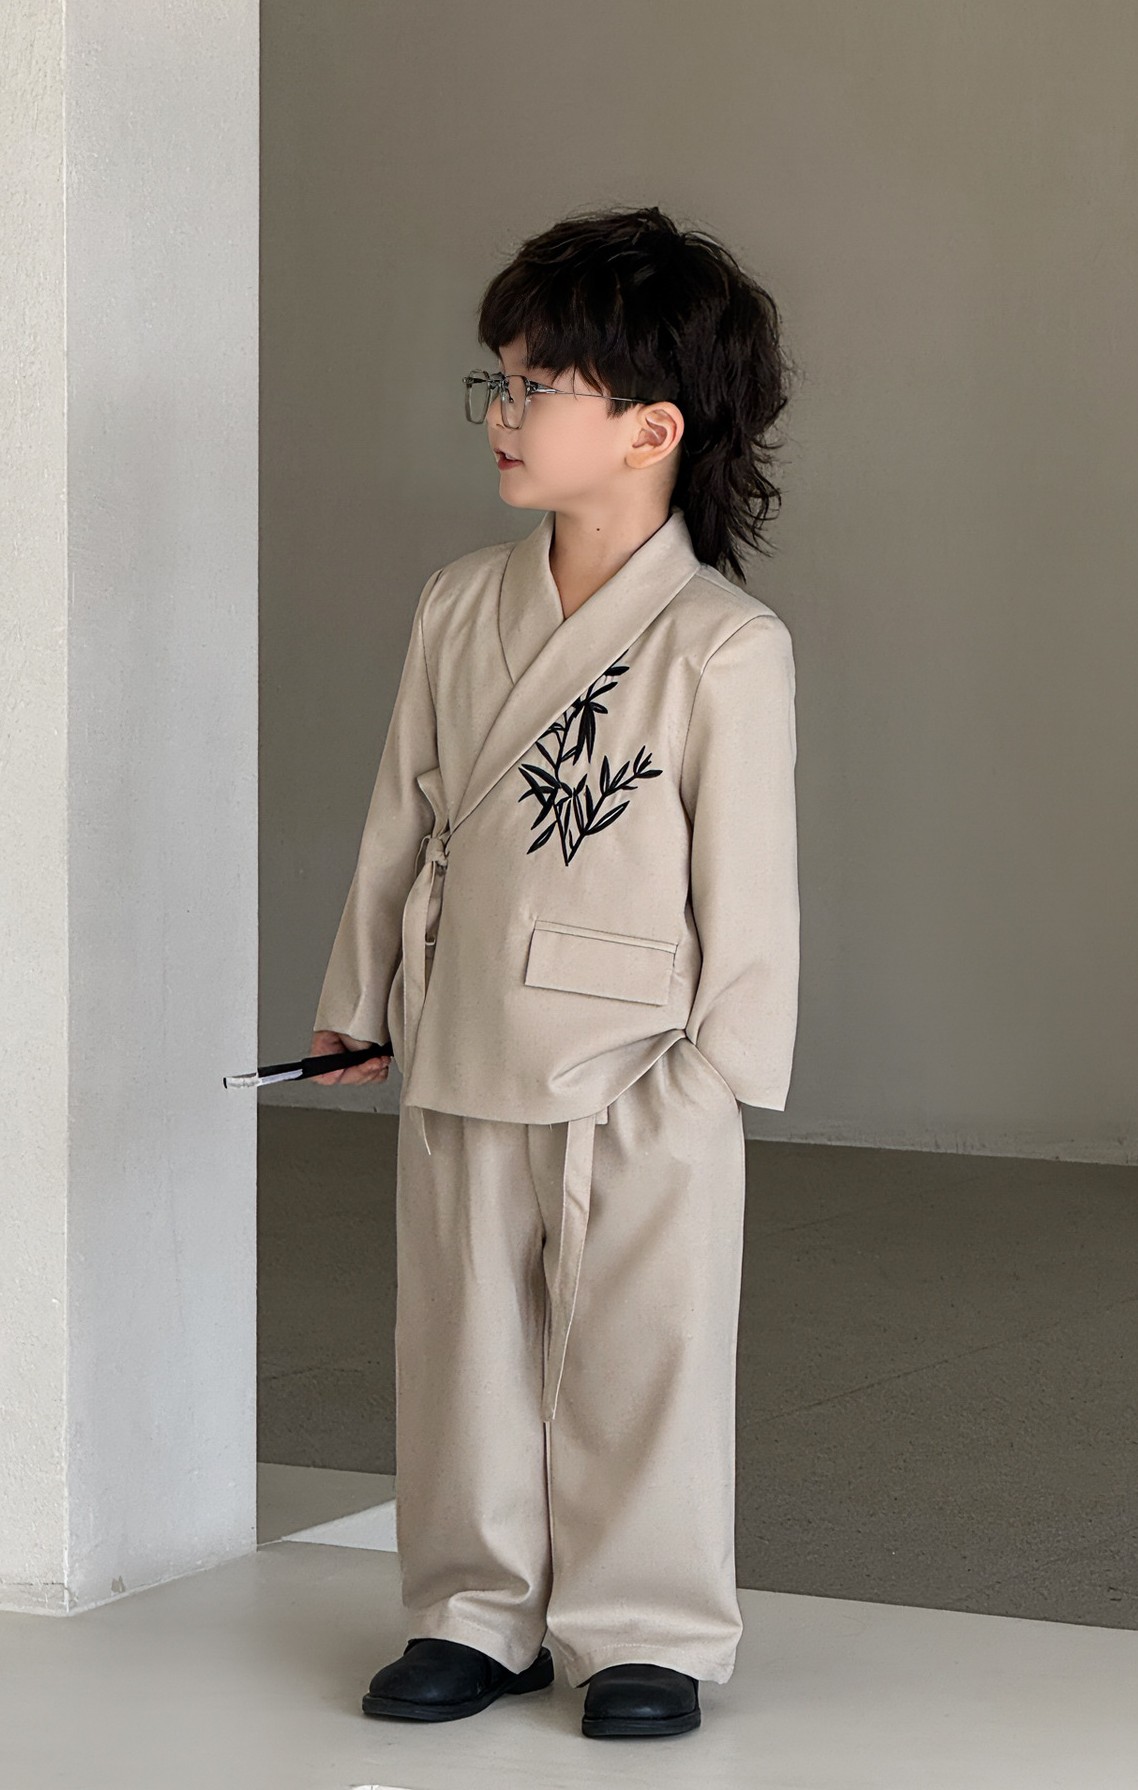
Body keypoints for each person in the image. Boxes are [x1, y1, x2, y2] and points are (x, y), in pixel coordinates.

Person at [308, 205, 800, 1741]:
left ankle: (646, 1625)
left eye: (539, 385)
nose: (503, 413)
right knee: (461, 1339)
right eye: (499, 381)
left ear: (652, 428)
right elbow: (402, 817)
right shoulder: (461, 603)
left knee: (643, 1348)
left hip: (642, 1054)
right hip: (465, 1023)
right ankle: (474, 1609)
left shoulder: (721, 641)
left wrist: (717, 1075)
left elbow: (752, 887)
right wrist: (356, 1005)